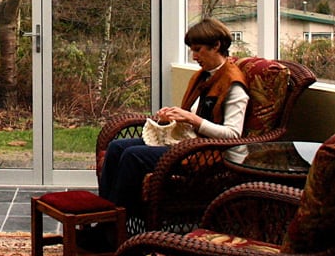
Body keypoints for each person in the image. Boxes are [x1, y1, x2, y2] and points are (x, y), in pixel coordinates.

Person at [97, 18, 249, 219]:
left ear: (216, 46)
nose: (194, 56)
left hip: (208, 153)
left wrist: (192, 119)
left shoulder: (234, 85)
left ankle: (114, 224)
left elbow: (233, 135)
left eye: (198, 50)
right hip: (189, 142)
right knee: (116, 148)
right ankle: (103, 217)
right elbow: (193, 116)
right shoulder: (205, 77)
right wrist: (173, 117)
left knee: (133, 156)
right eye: (192, 50)